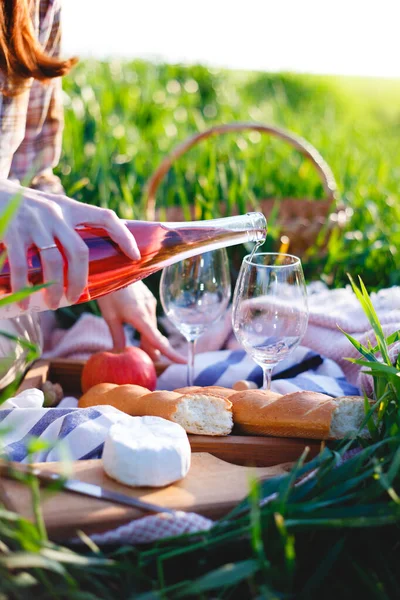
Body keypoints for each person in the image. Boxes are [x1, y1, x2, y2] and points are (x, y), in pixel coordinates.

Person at [0, 0, 185, 385]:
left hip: (7, 284)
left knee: (20, 345)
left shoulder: (34, 9)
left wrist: (102, 266)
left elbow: (33, 175)